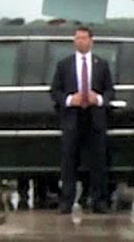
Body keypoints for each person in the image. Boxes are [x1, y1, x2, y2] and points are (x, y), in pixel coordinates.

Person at [49, 26, 115, 214]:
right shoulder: (64, 65)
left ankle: (98, 201)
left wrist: (99, 99)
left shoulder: (101, 64)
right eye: (77, 38)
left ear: (91, 41)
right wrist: (70, 100)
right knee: (69, 161)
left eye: (84, 38)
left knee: (98, 162)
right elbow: (55, 92)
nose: (80, 41)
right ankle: (66, 201)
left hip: (95, 118)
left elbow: (110, 91)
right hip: (72, 118)